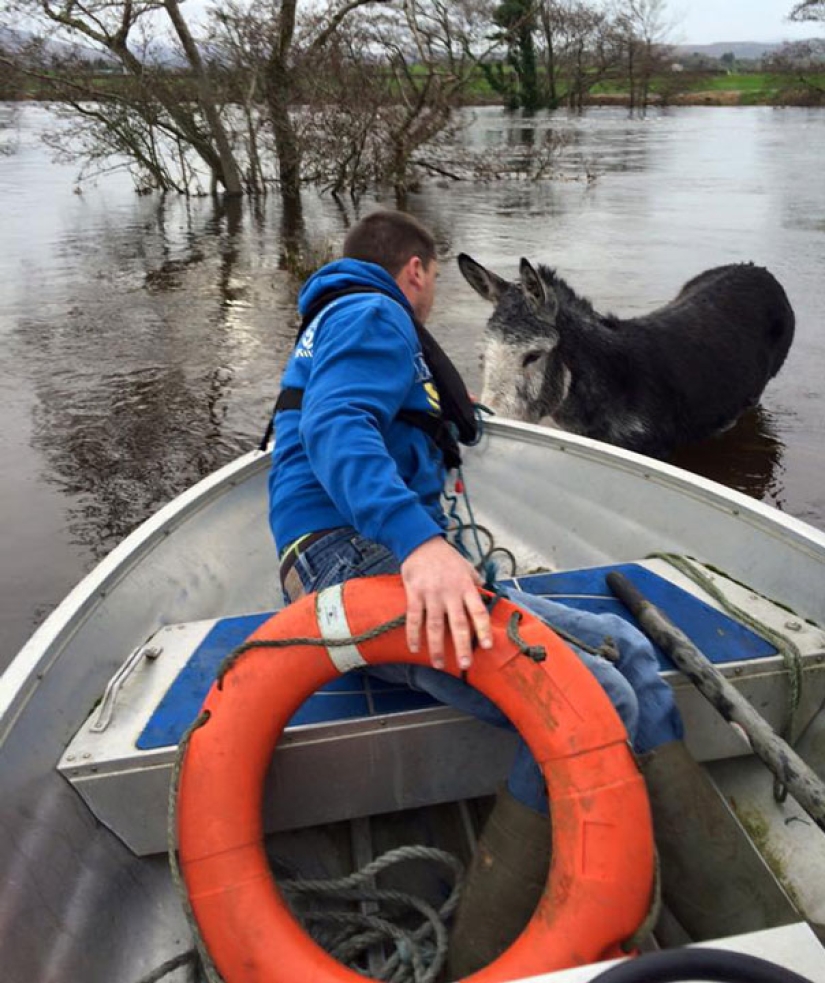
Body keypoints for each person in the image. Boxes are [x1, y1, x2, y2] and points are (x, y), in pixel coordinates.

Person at [268, 209, 755, 974]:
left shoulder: (338, 318)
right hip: (352, 561)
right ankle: (486, 950)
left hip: (370, 550)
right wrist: (422, 543)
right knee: (595, 695)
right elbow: (335, 427)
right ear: (418, 272)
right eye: (430, 283)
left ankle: (731, 909)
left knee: (624, 645)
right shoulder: (371, 311)